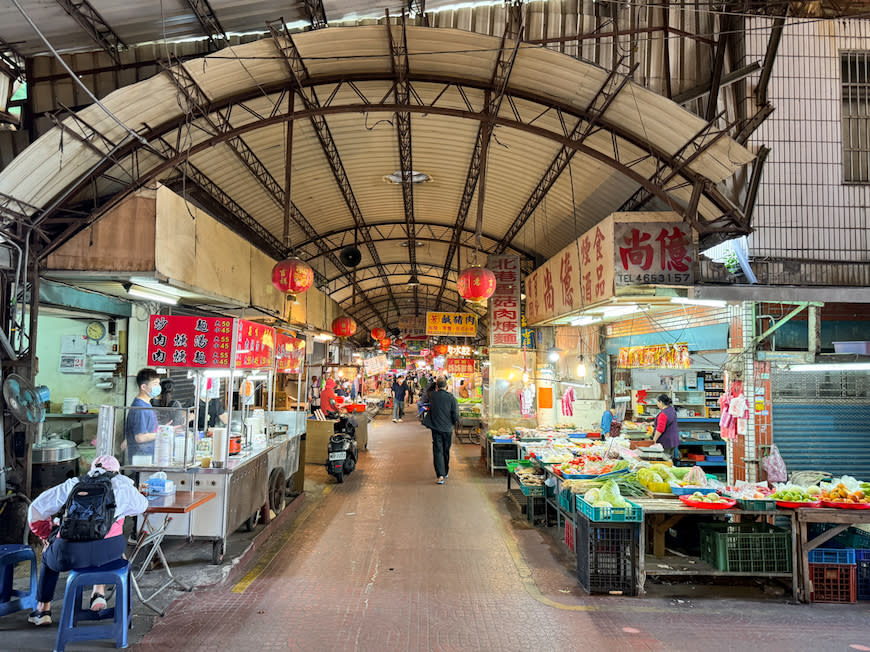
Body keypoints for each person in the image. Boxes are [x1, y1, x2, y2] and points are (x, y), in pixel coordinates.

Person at [26, 455, 148, 626]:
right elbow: (142, 506)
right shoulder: (122, 484)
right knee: (114, 528)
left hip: (70, 554)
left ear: (92, 470)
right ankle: (99, 593)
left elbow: (36, 509)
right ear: (116, 471)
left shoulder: (74, 483)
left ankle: (42, 610)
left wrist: (47, 536)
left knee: (48, 556)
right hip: (109, 553)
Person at [424, 378, 459, 484]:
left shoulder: (433, 396)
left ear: (437, 386)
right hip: (448, 429)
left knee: (438, 450)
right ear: (446, 386)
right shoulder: (451, 398)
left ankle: (440, 475)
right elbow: (456, 414)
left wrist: (435, 383)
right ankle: (446, 471)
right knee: (446, 450)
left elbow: (427, 390)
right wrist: (452, 423)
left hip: (436, 428)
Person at [125, 368, 160, 461]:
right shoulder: (140, 408)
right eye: (155, 384)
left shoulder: (146, 404)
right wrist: (162, 434)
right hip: (142, 458)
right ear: (143, 387)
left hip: (148, 456)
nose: (158, 387)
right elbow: (140, 437)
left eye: (158, 384)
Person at [652, 394, 680, 459]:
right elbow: (666, 422)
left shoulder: (663, 414)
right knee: (669, 460)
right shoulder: (671, 410)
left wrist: (654, 440)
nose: (657, 404)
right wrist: (650, 424)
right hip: (673, 440)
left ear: (661, 402)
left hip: (665, 442)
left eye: (657, 402)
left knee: (664, 461)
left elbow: (660, 429)